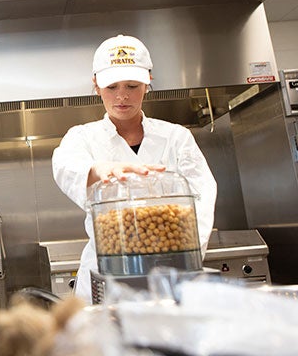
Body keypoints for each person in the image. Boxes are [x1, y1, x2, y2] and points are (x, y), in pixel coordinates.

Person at [52, 34, 217, 304]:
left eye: (132, 85)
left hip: (171, 274)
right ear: (96, 85)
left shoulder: (176, 137)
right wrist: (98, 169)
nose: (122, 96)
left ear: (148, 82)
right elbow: (65, 165)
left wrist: (182, 256)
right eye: (111, 87)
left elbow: (202, 196)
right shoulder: (83, 137)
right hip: (106, 276)